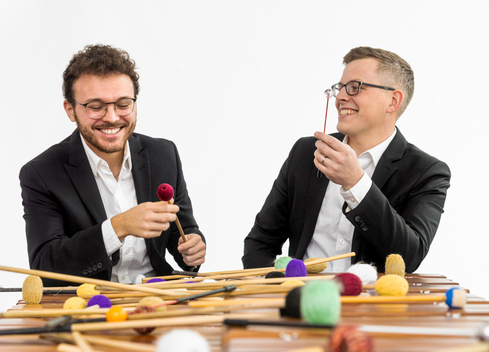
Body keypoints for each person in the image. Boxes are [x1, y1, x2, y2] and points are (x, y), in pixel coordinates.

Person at [242, 46, 450, 273]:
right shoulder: (305, 153)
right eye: (339, 88)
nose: (340, 97)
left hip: (375, 305)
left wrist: (356, 183)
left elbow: (409, 257)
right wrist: (278, 289)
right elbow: (260, 243)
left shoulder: (427, 172)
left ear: (393, 101)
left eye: (354, 87)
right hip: (302, 300)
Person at [20, 44, 206, 286]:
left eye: (123, 104)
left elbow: (183, 233)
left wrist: (192, 249)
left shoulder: (163, 154)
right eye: (96, 106)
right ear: (70, 109)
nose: (112, 117)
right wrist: (119, 226)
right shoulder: (41, 173)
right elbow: (45, 266)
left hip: (159, 296)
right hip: (89, 305)